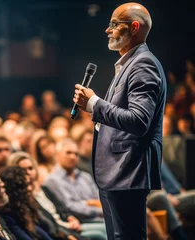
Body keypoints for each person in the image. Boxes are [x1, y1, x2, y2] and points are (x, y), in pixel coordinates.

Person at [72, 3, 166, 240]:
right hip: (118, 172)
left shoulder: (143, 64)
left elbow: (138, 120)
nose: (107, 30)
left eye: (114, 24)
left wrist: (94, 103)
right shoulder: (128, 63)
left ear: (134, 27)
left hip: (127, 171)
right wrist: (94, 110)